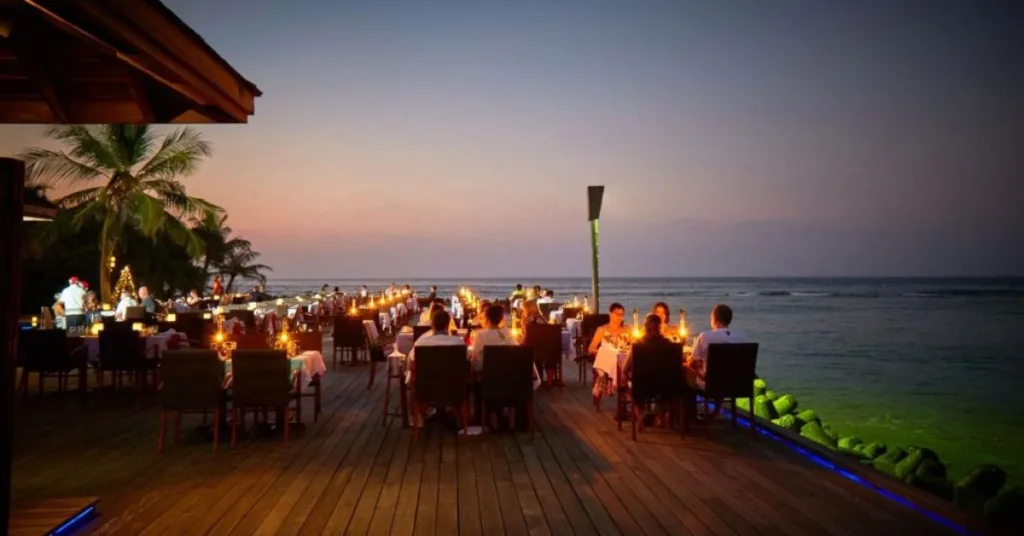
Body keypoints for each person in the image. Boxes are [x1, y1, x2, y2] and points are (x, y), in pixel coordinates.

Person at [686, 304, 747, 389]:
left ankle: (686, 401)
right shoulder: (741, 337)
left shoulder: (705, 336)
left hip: (711, 385)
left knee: (685, 368)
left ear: (715, 319)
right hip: (735, 385)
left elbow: (693, 363)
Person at [469, 304, 516, 372]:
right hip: (507, 375)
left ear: (486, 318)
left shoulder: (481, 335)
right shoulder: (509, 333)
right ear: (501, 318)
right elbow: (516, 353)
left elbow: (476, 362)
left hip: (487, 376)